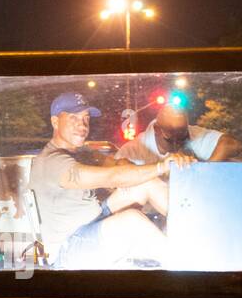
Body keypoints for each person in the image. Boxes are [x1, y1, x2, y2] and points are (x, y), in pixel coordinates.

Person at [28, 92, 191, 268]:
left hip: (92, 218)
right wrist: (160, 166)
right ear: (55, 122)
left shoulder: (80, 151)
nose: (82, 125)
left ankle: (195, 229)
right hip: (67, 248)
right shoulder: (53, 161)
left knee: (145, 183)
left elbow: (117, 165)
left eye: (86, 118)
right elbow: (112, 176)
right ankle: (189, 265)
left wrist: (126, 168)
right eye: (73, 117)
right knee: (132, 221)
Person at [116, 97, 241, 166]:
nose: (178, 143)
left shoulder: (193, 134)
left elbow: (232, 144)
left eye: (183, 137)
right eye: (171, 139)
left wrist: (207, 170)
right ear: (157, 130)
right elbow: (116, 175)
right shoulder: (134, 149)